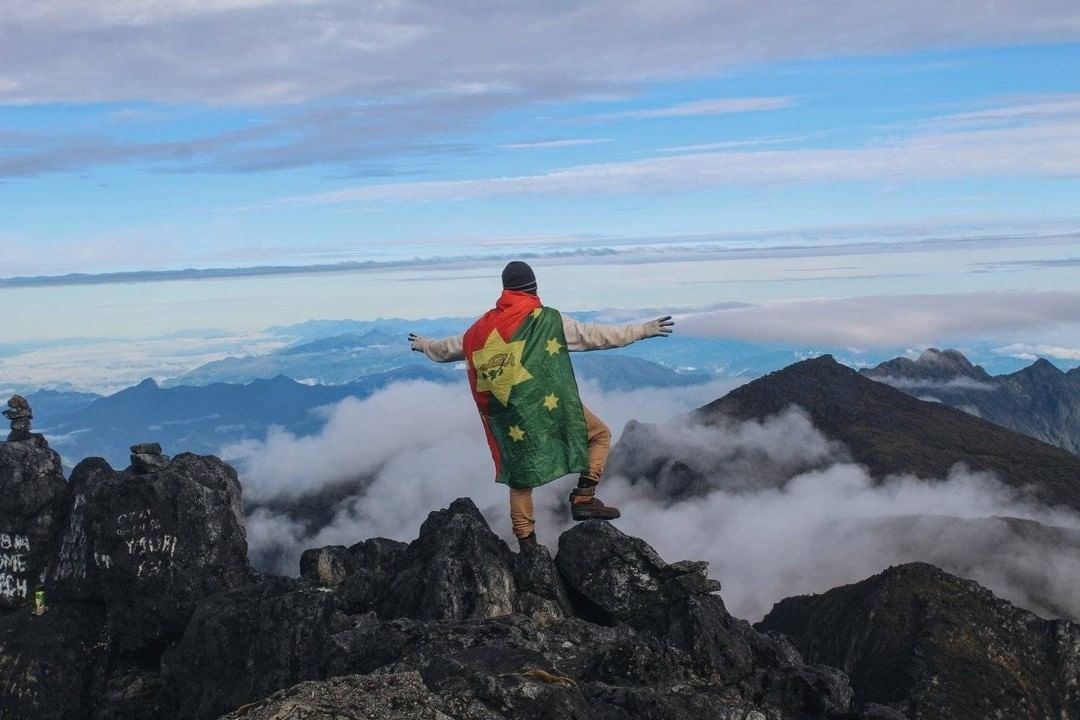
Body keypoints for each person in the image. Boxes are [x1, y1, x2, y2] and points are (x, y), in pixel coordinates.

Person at [408, 261, 674, 549]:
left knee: (519, 475)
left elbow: (448, 348)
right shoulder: (546, 321)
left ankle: (527, 544)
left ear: (505, 288)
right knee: (599, 435)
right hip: (549, 404)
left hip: (508, 414)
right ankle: (584, 497)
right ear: (534, 287)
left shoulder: (480, 330)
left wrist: (425, 345)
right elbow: (595, 336)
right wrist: (642, 330)